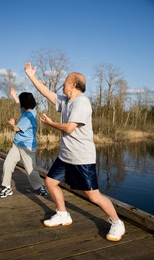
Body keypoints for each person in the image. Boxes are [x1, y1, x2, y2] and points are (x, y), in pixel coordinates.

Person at [24, 62, 125, 241]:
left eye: (65, 81)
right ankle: (62, 214)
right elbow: (46, 92)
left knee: (93, 195)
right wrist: (31, 76)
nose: (63, 84)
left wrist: (51, 123)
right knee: (50, 182)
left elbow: (70, 128)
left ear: (74, 84)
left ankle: (117, 222)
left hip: (82, 158)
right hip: (66, 156)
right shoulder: (65, 101)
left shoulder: (82, 102)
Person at [0, 87, 48, 198]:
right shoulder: (28, 110)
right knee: (7, 164)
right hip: (17, 145)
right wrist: (14, 95)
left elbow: (16, 128)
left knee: (31, 170)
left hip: (27, 147)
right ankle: (7, 187)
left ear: (25, 104)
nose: (20, 103)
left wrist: (12, 123)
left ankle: (40, 187)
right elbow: (18, 104)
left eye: (21, 101)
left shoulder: (29, 116)